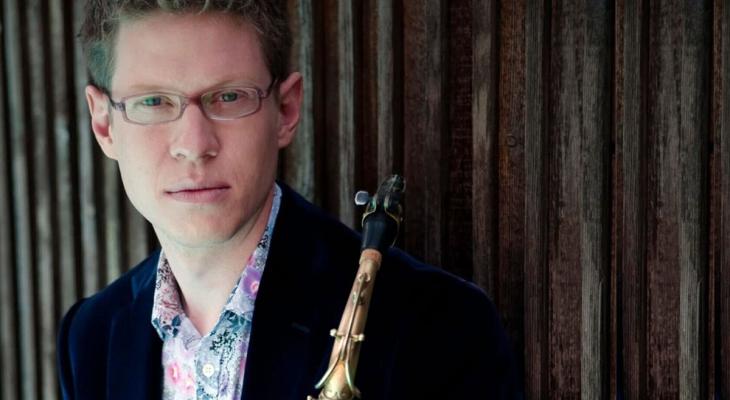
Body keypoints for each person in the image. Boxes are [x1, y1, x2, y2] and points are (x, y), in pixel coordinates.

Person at [57, 1, 520, 399]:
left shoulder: (435, 326)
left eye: (229, 96)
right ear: (103, 124)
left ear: (286, 109)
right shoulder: (91, 338)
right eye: (154, 102)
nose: (194, 144)